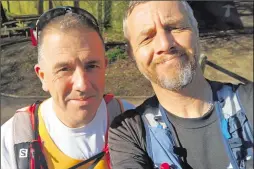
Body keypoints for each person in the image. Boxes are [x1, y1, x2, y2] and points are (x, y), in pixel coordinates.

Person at [108, 1, 253, 169]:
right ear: (132, 54)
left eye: (175, 27)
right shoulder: (130, 133)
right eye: (147, 37)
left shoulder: (249, 101)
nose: (165, 44)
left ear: (196, 30)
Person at [1, 6, 135, 169]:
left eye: (92, 66)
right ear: (43, 76)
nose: (82, 84)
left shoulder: (132, 121)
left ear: (104, 66)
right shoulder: (12, 138)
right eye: (64, 69)